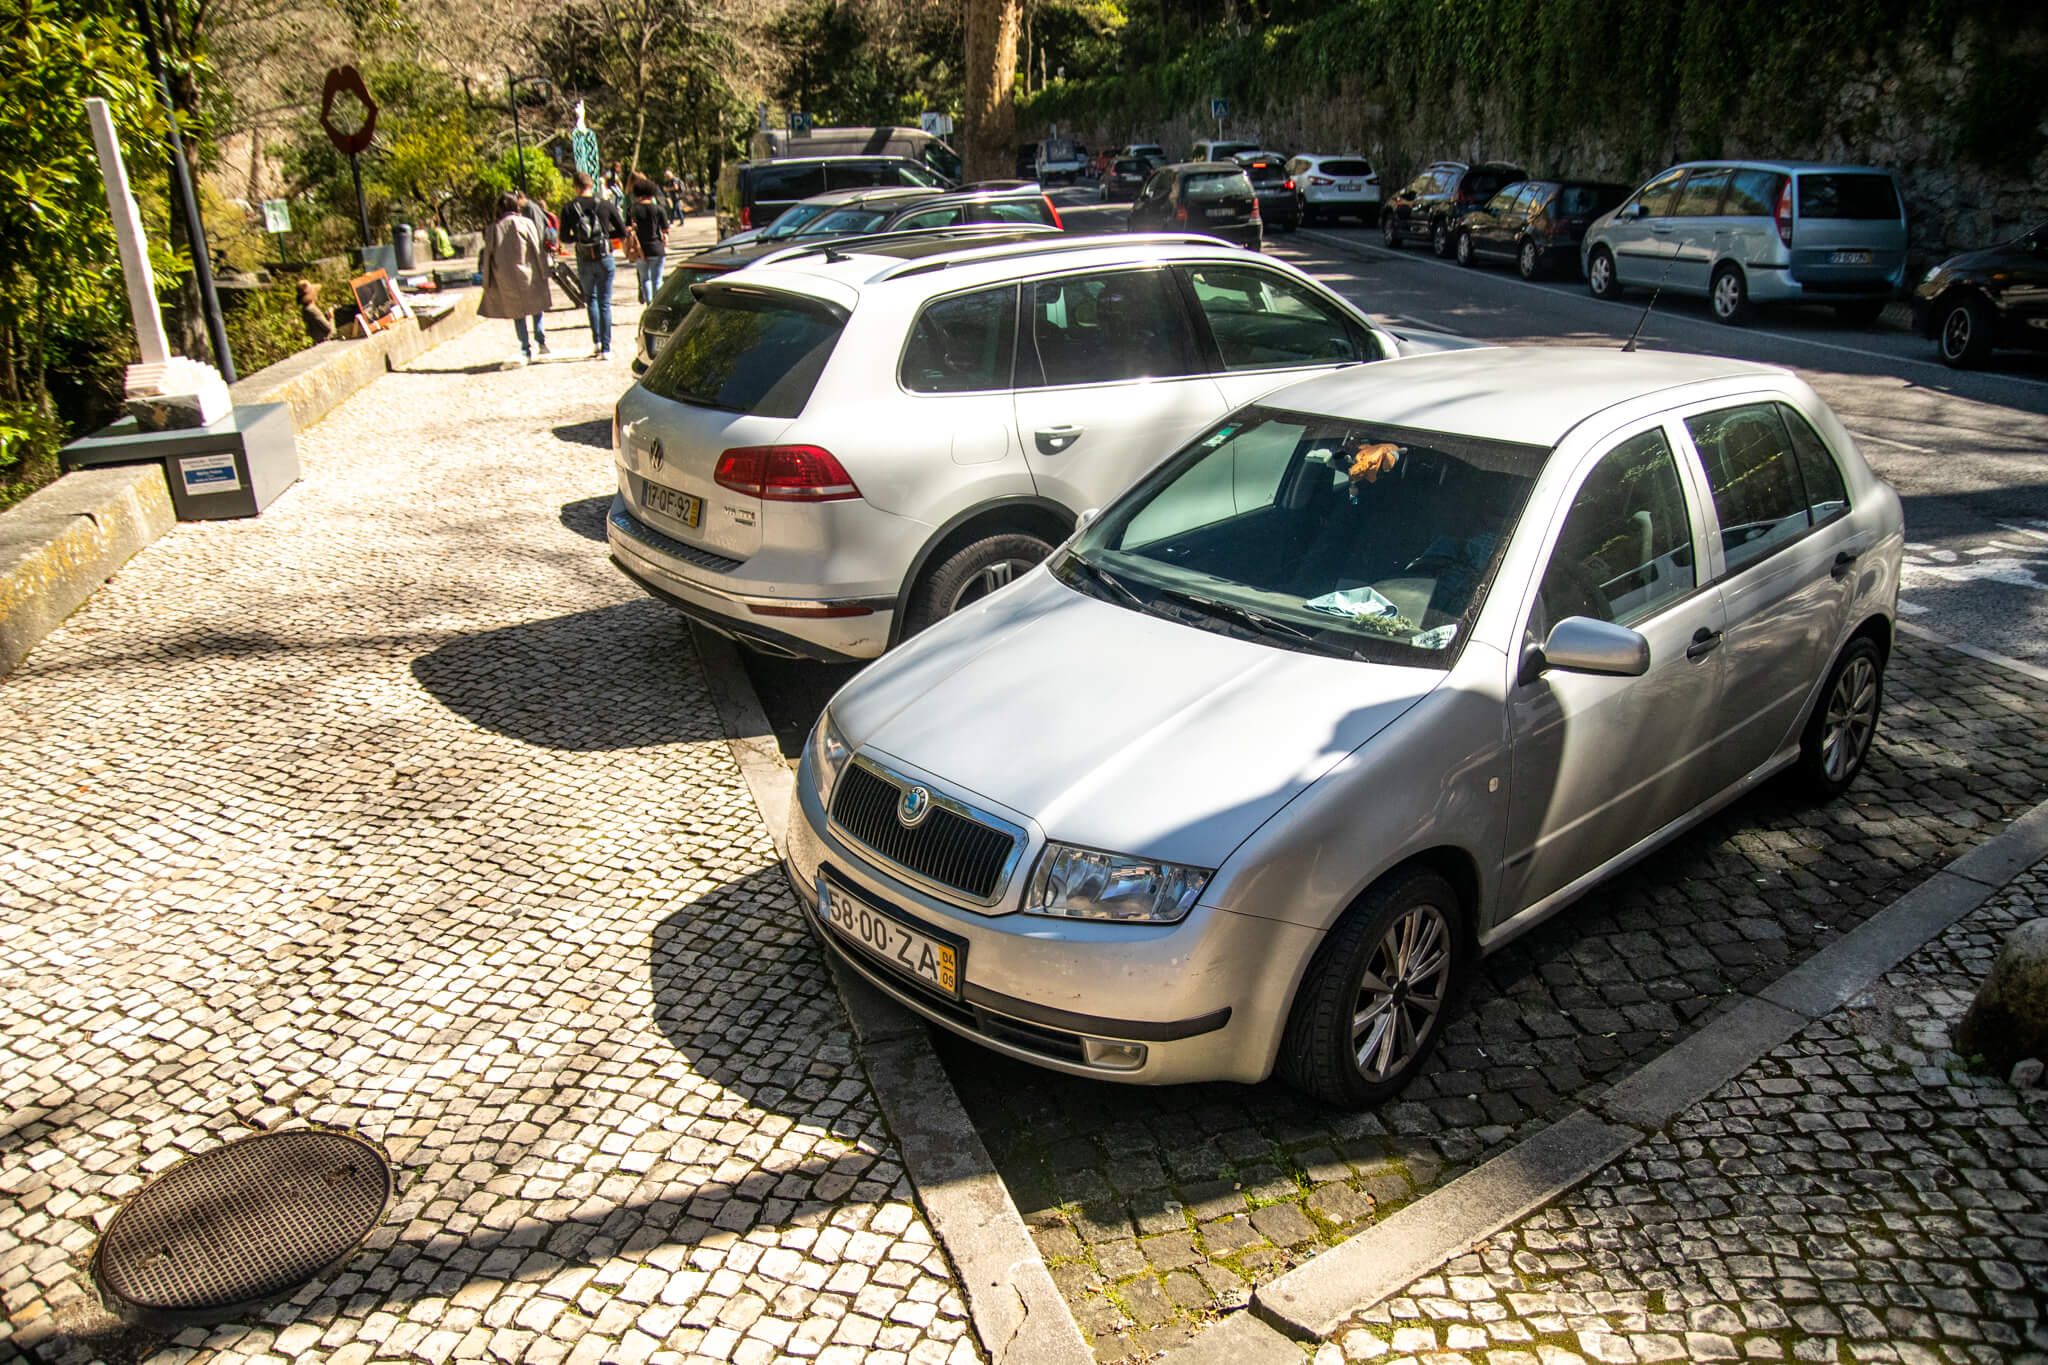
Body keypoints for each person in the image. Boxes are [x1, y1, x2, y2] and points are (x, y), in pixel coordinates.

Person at [478, 190, 552, 365]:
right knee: (537, 307)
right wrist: (544, 271)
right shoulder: (526, 223)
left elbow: (487, 256)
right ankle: (541, 342)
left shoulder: (493, 229)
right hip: (529, 272)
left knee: (517, 314)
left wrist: (487, 281)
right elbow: (537, 248)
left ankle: (525, 349)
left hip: (506, 277)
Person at [559, 170, 626, 360]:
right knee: (605, 302)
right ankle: (606, 348)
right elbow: (622, 231)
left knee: (591, 299)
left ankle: (596, 341)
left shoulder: (569, 208)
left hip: (584, 259)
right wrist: (605, 237)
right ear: (592, 186)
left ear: (575, 187)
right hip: (604, 257)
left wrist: (579, 238)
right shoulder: (605, 205)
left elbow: (564, 237)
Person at [628, 179, 670, 304]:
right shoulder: (658, 209)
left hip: (640, 249)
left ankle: (648, 304)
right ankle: (656, 305)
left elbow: (628, 228)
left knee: (644, 279)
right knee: (657, 280)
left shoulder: (632, 209)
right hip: (656, 247)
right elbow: (666, 230)